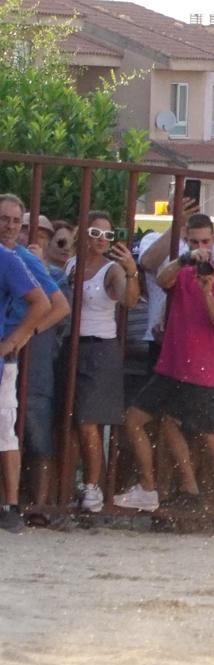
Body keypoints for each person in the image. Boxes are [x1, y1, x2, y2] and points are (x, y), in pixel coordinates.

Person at [112, 212, 214, 536]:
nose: (200, 248)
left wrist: (207, 290)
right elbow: (160, 280)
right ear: (187, 241)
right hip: (171, 367)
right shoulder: (181, 269)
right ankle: (149, 487)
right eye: (194, 242)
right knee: (135, 421)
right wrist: (185, 259)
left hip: (203, 373)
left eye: (204, 242)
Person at [63, 211, 140, 513]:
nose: (101, 241)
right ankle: (73, 485)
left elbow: (129, 300)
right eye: (95, 234)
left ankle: (93, 487)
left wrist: (131, 271)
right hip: (71, 346)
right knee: (70, 420)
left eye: (107, 236)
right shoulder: (71, 264)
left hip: (99, 347)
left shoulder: (111, 270)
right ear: (82, 234)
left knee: (88, 422)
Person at [0, 194, 70, 507]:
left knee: (22, 426)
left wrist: (23, 335)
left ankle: (27, 505)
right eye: (5, 219)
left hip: (12, 354)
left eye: (16, 221)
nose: (10, 227)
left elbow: (58, 306)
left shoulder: (24, 260)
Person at [0, 243, 49, 532]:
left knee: (5, 432)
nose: (9, 225)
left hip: (4, 361)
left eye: (14, 220)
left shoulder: (11, 259)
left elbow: (46, 302)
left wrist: (15, 339)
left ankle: (11, 506)